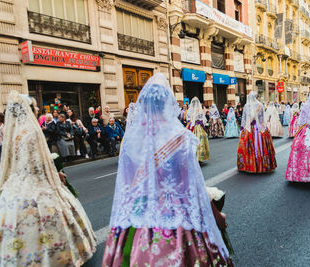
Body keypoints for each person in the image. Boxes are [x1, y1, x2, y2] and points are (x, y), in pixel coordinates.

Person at [102, 73, 233, 266]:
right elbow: (194, 187)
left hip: (138, 218)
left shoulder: (131, 140)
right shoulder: (181, 137)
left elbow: (128, 187)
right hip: (176, 218)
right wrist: (216, 217)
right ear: (167, 102)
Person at [0, 91, 96, 266]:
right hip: (36, 183)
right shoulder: (32, 132)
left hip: (15, 183)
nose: (37, 110)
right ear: (28, 111)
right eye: (35, 107)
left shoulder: (12, 133)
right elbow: (37, 163)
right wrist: (55, 174)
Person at [237, 91, 277, 173]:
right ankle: (263, 164)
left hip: (249, 128)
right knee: (261, 145)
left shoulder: (246, 106)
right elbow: (262, 118)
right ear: (256, 97)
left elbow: (244, 118)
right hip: (259, 128)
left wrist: (242, 128)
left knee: (248, 146)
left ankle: (248, 165)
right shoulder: (260, 105)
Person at [186, 97, 210, 162]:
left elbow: (187, 119)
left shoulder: (189, 110)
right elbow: (202, 120)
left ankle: (191, 157)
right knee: (199, 142)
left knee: (190, 142)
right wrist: (204, 127)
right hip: (198, 126)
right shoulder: (199, 110)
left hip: (190, 126)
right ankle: (199, 157)